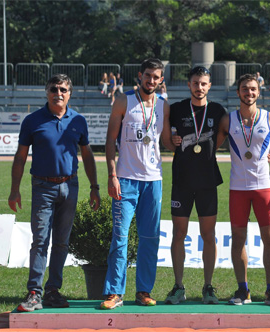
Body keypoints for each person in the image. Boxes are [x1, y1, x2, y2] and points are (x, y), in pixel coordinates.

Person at [8, 74, 101, 312]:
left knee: (61, 242)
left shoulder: (78, 120)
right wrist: (14, 190)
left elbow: (88, 155)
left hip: (70, 186)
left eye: (63, 89)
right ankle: (34, 293)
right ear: (46, 92)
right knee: (40, 240)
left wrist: (94, 188)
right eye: (53, 89)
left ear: (70, 93)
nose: (58, 93)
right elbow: (20, 157)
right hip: (43, 187)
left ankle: (52, 291)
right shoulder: (32, 120)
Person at [102, 58, 173, 310]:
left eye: (156, 77)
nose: (151, 81)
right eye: (148, 76)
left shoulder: (164, 106)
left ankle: (143, 291)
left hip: (153, 180)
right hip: (125, 180)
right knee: (120, 238)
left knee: (150, 238)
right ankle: (114, 292)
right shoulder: (123, 100)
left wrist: (187, 141)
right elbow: (110, 140)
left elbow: (166, 142)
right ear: (140, 76)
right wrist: (112, 175)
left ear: (161, 80)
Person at [217, 73, 270, 307]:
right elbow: (210, 146)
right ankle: (243, 289)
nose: (249, 93)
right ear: (238, 92)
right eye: (245, 89)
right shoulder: (228, 120)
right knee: (238, 239)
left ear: (259, 92)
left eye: (253, 89)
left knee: (269, 238)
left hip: (263, 188)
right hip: (237, 188)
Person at [164, 66, 226, 305]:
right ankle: (179, 286)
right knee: (178, 233)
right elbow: (165, 138)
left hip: (207, 181)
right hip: (181, 180)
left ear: (209, 86)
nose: (199, 87)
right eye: (195, 83)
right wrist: (173, 140)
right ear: (189, 85)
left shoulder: (218, 110)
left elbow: (225, 134)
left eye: (203, 84)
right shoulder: (177, 109)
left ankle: (208, 287)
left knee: (208, 235)